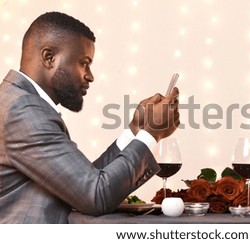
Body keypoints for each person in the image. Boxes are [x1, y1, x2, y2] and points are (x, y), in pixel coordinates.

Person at [0, 12, 180, 223]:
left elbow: (81, 183)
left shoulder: (18, 100)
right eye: (84, 63)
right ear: (49, 58)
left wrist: (136, 130)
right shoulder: (24, 109)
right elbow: (95, 195)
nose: (90, 76)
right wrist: (152, 133)